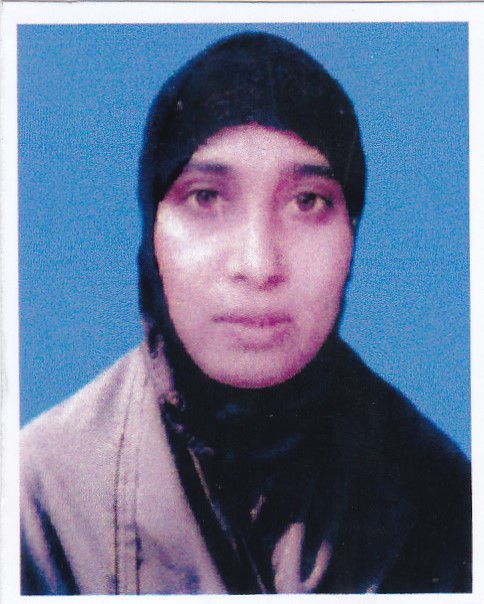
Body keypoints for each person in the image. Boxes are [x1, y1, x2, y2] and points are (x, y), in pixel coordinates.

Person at [20, 32, 471, 595]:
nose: (259, 265)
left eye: (307, 201)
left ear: (352, 231)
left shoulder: (440, 494)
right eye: (206, 197)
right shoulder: (36, 502)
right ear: (151, 229)